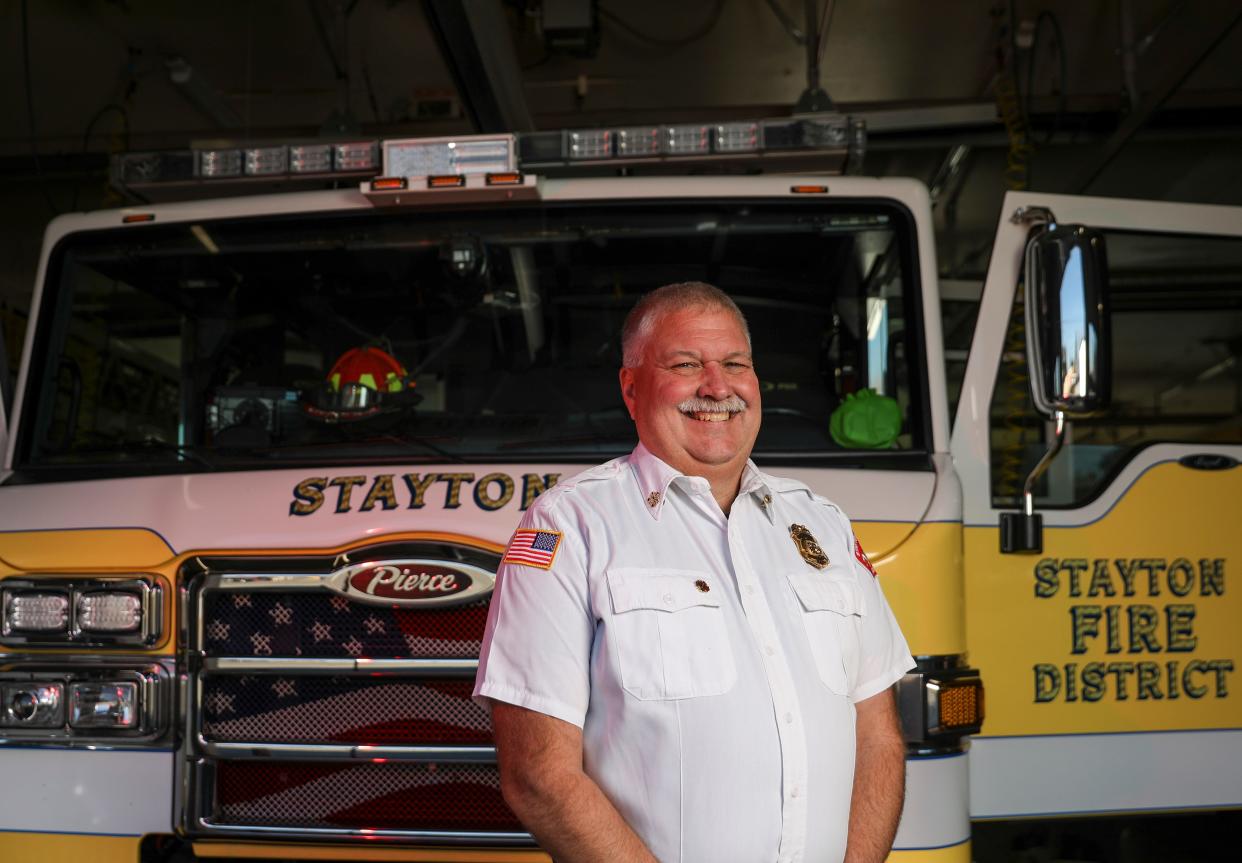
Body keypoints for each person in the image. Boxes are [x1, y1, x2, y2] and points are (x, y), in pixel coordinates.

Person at [474, 282, 913, 862]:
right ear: (631, 389)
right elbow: (537, 774)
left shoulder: (824, 525)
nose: (717, 386)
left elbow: (879, 740)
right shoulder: (570, 525)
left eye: (735, 364)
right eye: (686, 364)